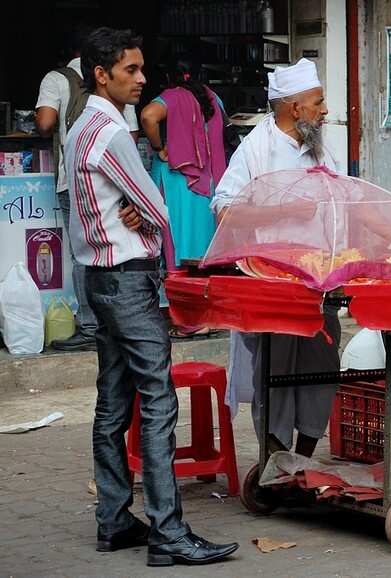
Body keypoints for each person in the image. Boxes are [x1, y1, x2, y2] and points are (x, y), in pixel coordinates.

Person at [65, 26, 238, 566]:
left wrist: (140, 210)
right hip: (129, 280)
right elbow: (158, 208)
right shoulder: (111, 134)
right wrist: (146, 213)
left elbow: (113, 202)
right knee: (158, 400)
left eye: (142, 69)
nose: (142, 79)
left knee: (113, 404)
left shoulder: (79, 129)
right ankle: (168, 531)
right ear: (102, 74)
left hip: (97, 277)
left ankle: (115, 520)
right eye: (131, 71)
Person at [210, 58, 343, 457]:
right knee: (275, 367)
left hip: (320, 279)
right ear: (294, 108)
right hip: (272, 283)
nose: (325, 111)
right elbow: (224, 209)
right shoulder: (257, 149)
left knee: (322, 362)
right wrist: (284, 211)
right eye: (318, 102)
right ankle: (274, 456)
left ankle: (302, 458)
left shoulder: (322, 150)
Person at [35, 22, 139, 352]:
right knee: (116, 244)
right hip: (115, 178)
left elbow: (45, 123)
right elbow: (132, 137)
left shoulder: (55, 78)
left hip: (74, 179)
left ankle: (91, 325)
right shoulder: (121, 80)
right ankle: (117, 321)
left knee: (84, 251)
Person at [140, 52, 226, 338]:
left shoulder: (171, 96)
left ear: (168, 76)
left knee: (176, 249)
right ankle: (209, 316)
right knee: (206, 250)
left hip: (178, 183)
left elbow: (148, 116)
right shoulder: (213, 98)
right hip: (210, 184)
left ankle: (188, 322)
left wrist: (159, 148)